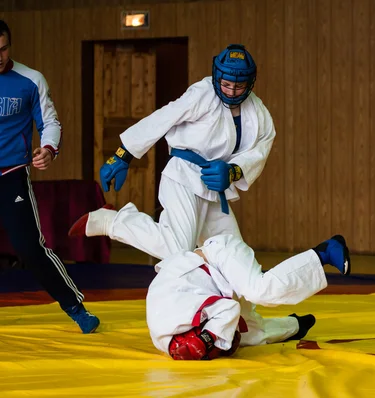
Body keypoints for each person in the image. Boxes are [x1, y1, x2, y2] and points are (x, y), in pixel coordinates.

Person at [68, 44, 275, 261]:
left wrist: (233, 171)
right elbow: (165, 117)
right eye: (226, 84)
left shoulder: (257, 110)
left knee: (234, 258)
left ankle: (223, 296)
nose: (231, 91)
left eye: (238, 86)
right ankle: (112, 222)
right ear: (217, 78)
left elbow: (262, 146)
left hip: (214, 186)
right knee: (177, 248)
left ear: (249, 83)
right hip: (183, 176)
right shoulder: (203, 93)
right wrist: (123, 154)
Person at [0, 20, 99, 333]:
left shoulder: (30, 80)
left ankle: (75, 308)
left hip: (11, 175)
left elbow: (51, 123)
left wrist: (49, 148)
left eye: (2, 49)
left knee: (30, 248)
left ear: (9, 47)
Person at [147, 234, 351, 360]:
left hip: (219, 258)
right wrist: (211, 341)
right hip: (214, 284)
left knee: (259, 290)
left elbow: (229, 309)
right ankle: (296, 325)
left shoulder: (177, 312)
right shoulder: (168, 337)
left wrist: (210, 338)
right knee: (252, 335)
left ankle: (325, 251)